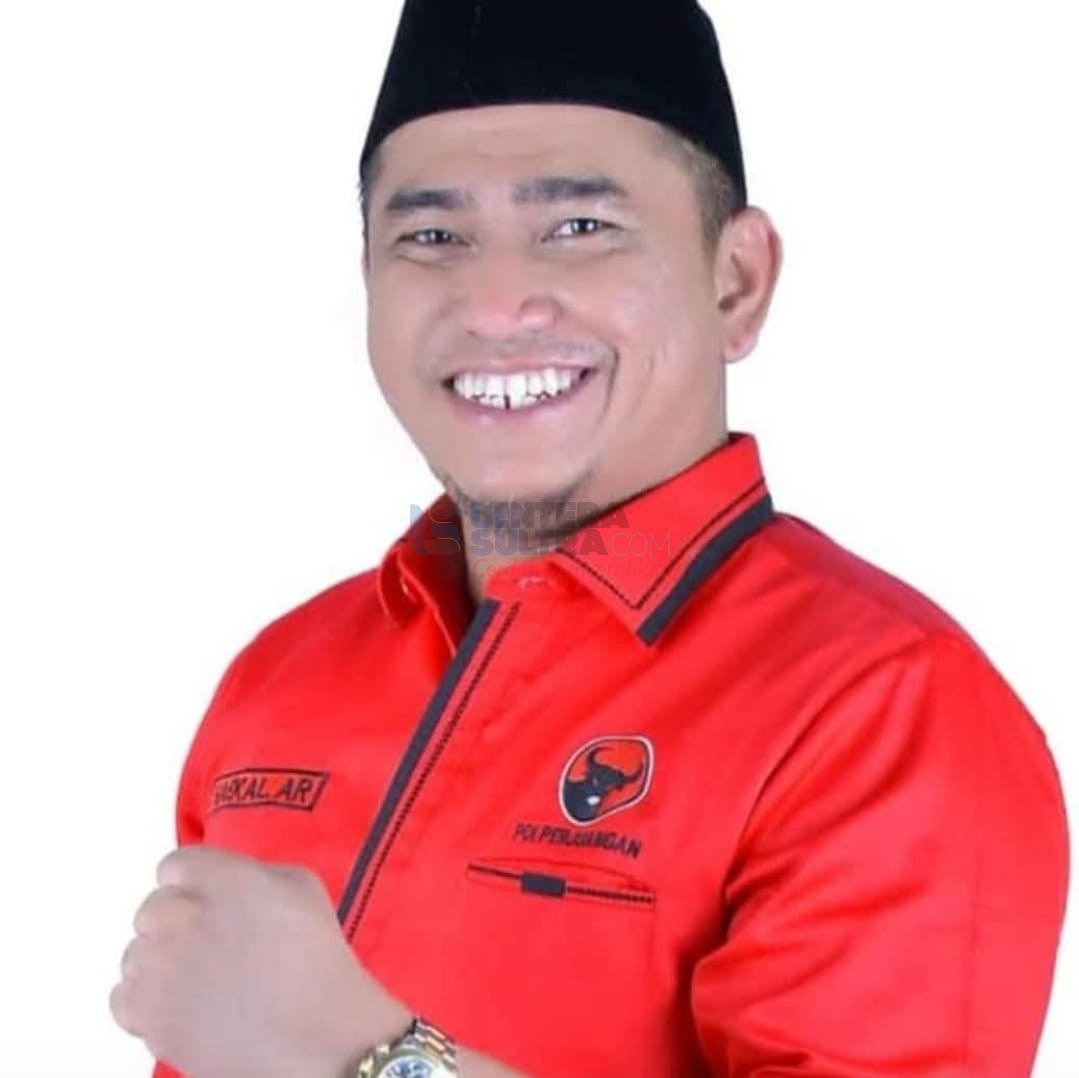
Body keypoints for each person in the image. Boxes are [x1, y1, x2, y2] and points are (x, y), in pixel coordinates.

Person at [109, 2, 1069, 1076]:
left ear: (735, 281)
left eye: (578, 227)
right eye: (432, 236)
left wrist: (376, 1059)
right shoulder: (281, 678)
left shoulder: (879, 704)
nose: (495, 304)